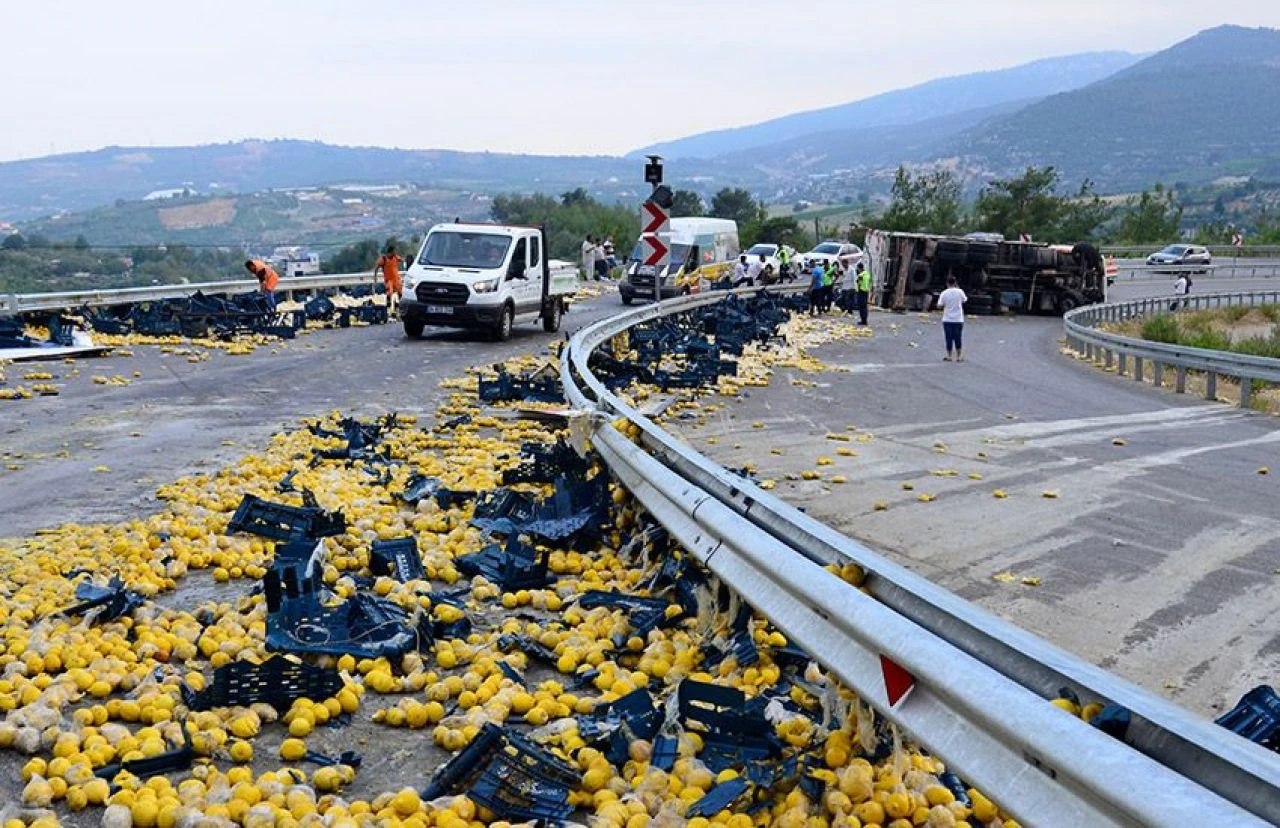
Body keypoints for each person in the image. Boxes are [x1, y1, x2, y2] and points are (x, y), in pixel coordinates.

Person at [938, 275, 967, 362]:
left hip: (947, 319)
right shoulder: (960, 291)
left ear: (947, 283)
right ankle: (959, 356)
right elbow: (964, 300)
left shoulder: (944, 293)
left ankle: (949, 355)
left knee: (948, 338)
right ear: (955, 283)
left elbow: (939, 305)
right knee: (958, 337)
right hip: (958, 319)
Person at [373, 244, 404, 316]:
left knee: (400, 294)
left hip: (396, 279)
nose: (395, 252)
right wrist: (375, 277)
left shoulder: (395, 257)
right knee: (389, 294)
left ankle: (398, 310)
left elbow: (402, 260)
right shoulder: (383, 259)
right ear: (391, 251)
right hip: (389, 280)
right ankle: (388, 311)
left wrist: (405, 261)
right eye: (394, 251)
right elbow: (376, 267)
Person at [854, 262, 871, 326]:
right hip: (866, 291)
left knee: (861, 307)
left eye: (857, 268)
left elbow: (859, 283)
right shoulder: (867, 274)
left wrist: (858, 290)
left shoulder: (860, 275)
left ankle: (863, 321)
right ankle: (865, 320)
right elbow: (869, 282)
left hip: (861, 291)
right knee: (864, 306)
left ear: (859, 268)